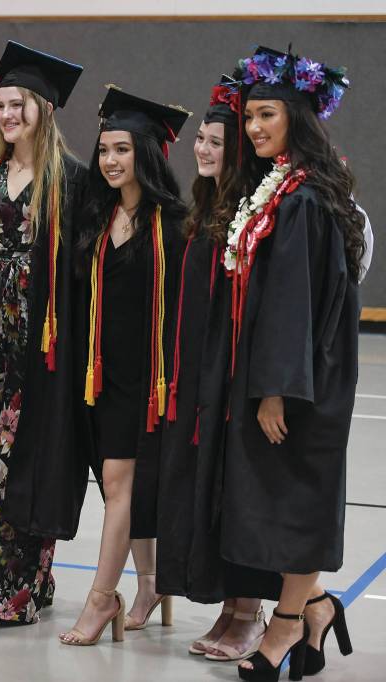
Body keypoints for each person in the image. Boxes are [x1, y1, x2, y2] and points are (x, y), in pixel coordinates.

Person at [223, 46, 360, 681]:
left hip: (306, 378)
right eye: (249, 115)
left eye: (267, 115)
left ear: (297, 118)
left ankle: (281, 632)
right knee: (279, 504)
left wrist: (276, 388)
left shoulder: (303, 199)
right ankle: (318, 610)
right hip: (296, 368)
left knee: (299, 505)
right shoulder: (283, 185)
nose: (253, 127)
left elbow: (294, 302)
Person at [0, 42, 89, 637]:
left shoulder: (71, 181)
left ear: (44, 110)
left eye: (19, 105)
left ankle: (21, 587)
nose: (8, 115)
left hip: (45, 350)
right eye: (2, 105)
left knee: (32, 462)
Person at [58, 86, 189, 645]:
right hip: (99, 373)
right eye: (105, 148)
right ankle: (150, 581)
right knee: (121, 486)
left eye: (123, 150)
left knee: (119, 486)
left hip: (150, 377)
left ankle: (99, 600)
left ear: (147, 155)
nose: (110, 160)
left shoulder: (174, 225)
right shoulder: (95, 215)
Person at [156, 76, 277, 662]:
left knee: (238, 493)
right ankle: (231, 605)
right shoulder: (204, 210)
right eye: (198, 140)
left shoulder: (252, 216)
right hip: (198, 380)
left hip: (234, 380)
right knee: (207, 491)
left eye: (214, 141)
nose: (202, 149)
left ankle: (251, 612)